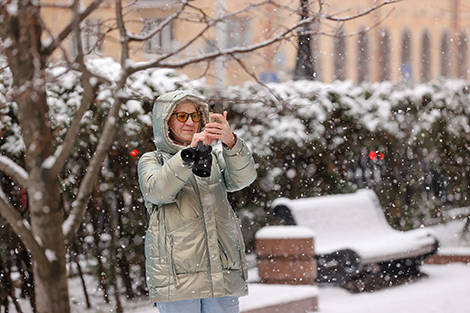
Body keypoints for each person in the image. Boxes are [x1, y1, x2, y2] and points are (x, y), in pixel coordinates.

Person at [137, 90, 257, 313]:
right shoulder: (153, 160)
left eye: (194, 116)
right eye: (181, 116)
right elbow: (157, 191)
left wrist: (230, 143)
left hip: (221, 274)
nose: (190, 122)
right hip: (178, 280)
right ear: (166, 121)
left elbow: (244, 178)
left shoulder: (213, 157)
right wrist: (188, 154)